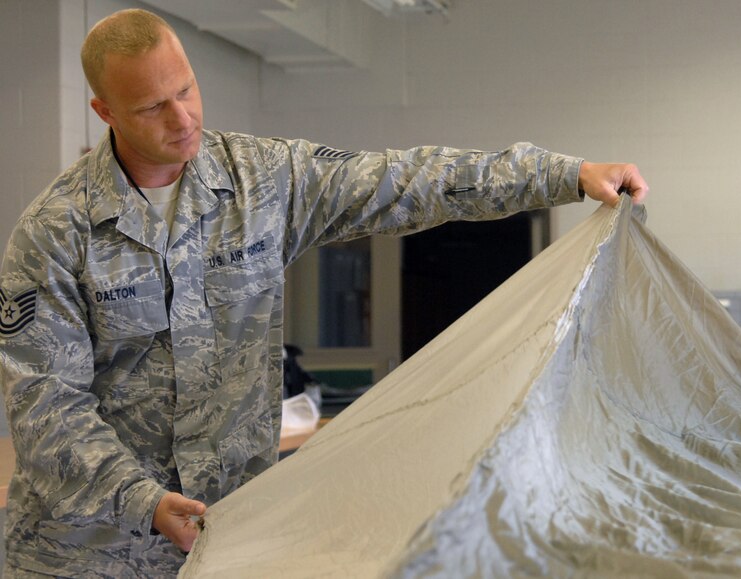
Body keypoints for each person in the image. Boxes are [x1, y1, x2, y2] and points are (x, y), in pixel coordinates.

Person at [0, 8, 648, 578]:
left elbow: (405, 179)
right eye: (152, 107)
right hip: (90, 548)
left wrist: (565, 175)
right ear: (105, 112)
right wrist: (140, 499)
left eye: (187, 89)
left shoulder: (262, 180)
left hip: (227, 536)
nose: (183, 117)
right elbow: (44, 404)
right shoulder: (57, 232)